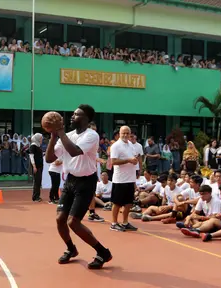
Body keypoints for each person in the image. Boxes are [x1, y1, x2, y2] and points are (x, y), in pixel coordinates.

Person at [45, 104, 112, 270]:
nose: (72, 117)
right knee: (60, 219)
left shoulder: (92, 135)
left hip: (86, 182)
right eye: (73, 114)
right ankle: (71, 249)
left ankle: (103, 252)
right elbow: (49, 158)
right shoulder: (66, 135)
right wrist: (53, 136)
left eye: (77, 115)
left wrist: (59, 132)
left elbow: (74, 151)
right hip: (70, 180)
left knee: (73, 222)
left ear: (87, 119)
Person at [108, 126, 139, 232]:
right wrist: (128, 160)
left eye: (127, 133)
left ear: (130, 134)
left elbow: (134, 158)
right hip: (120, 179)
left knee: (128, 203)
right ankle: (114, 223)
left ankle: (125, 222)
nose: (125, 135)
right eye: (123, 133)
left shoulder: (131, 145)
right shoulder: (116, 146)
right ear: (119, 134)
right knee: (117, 203)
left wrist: (135, 161)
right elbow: (113, 161)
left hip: (130, 178)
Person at [29, 133, 44, 202]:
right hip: (36, 166)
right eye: (40, 138)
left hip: (40, 166)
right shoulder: (33, 146)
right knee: (37, 181)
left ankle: (38, 196)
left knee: (39, 181)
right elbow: (31, 156)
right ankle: (35, 197)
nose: (42, 139)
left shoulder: (38, 146)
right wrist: (34, 166)